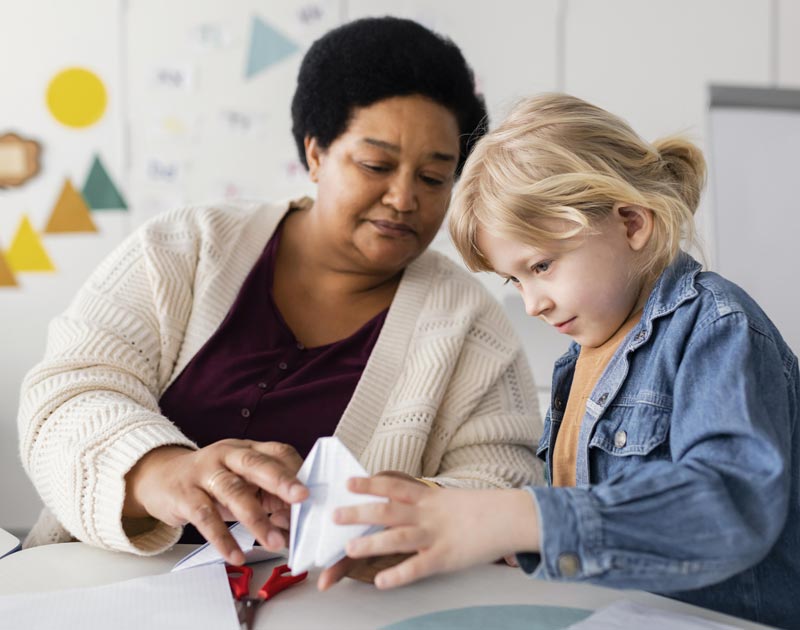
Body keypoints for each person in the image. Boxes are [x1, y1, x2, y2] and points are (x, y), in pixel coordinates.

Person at [17, 17, 543, 571]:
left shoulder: (469, 325)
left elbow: (504, 479)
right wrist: (159, 470)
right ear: (315, 153)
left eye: (435, 178)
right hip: (99, 589)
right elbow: (67, 394)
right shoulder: (184, 249)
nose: (403, 197)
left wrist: (411, 506)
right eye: (375, 164)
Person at [326, 93, 800, 628]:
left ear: (631, 224)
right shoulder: (581, 359)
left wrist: (521, 518)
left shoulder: (716, 327)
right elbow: (593, 523)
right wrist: (486, 531)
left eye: (542, 265)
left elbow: (729, 508)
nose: (532, 303)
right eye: (516, 279)